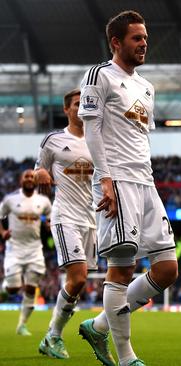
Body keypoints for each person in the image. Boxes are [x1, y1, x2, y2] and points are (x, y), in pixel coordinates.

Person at [77, 10, 178, 366]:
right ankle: (125, 357)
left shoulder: (146, 87)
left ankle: (100, 326)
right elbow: (92, 129)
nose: (144, 43)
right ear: (116, 42)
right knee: (121, 269)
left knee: (167, 269)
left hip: (145, 181)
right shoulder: (99, 75)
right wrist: (104, 179)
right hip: (116, 180)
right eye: (137, 38)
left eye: (146, 38)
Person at [34, 89, 101, 360]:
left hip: (91, 220)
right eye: (76, 104)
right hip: (66, 217)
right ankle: (53, 335)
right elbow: (40, 167)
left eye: (84, 104)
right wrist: (41, 174)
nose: (80, 108)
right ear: (67, 110)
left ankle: (52, 335)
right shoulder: (53, 140)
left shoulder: (98, 141)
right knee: (79, 278)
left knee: (78, 283)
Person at [0, 169, 52, 336]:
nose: (29, 179)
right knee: (14, 289)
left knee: (31, 288)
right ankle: (6, 286)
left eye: (32, 176)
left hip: (35, 249)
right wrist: (2, 232)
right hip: (14, 248)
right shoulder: (10, 200)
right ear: (20, 181)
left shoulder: (43, 201)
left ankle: (22, 324)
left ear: (35, 181)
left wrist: (49, 225)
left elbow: (50, 217)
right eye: (26, 177)